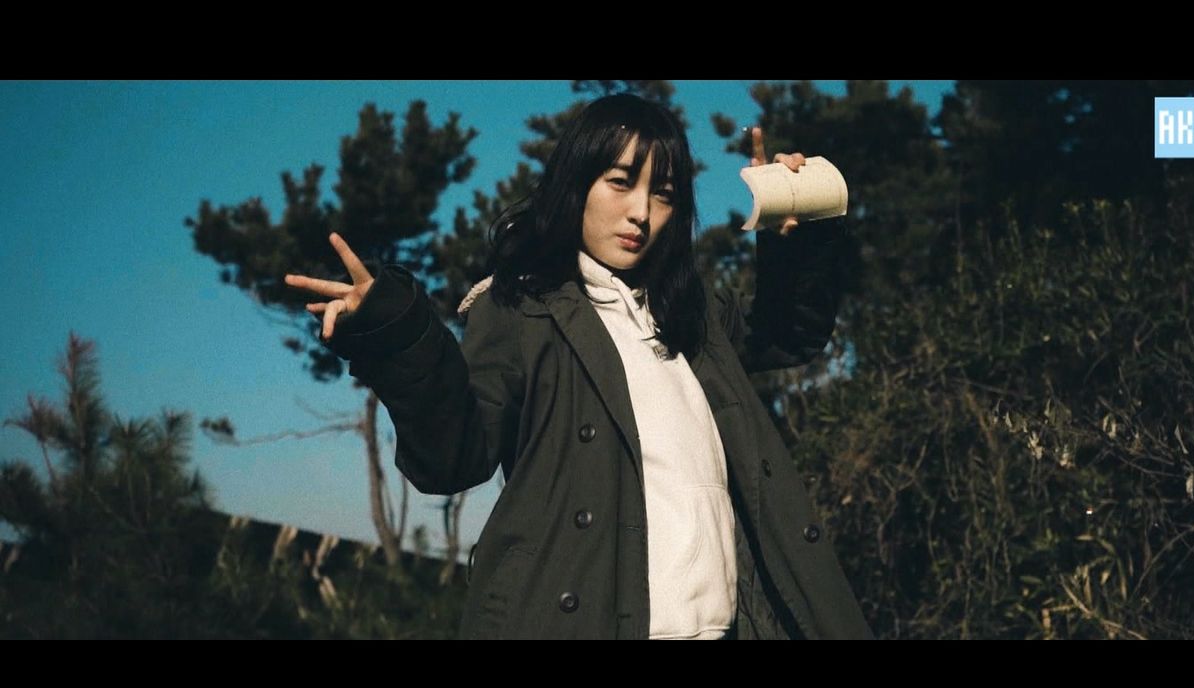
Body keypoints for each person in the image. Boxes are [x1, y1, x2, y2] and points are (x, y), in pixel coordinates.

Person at [283, 93, 873, 640]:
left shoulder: (695, 319)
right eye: (620, 182)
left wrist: (797, 220)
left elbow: (790, 334)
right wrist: (398, 330)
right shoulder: (517, 309)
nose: (641, 213)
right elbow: (453, 458)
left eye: (664, 194)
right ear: (576, 182)